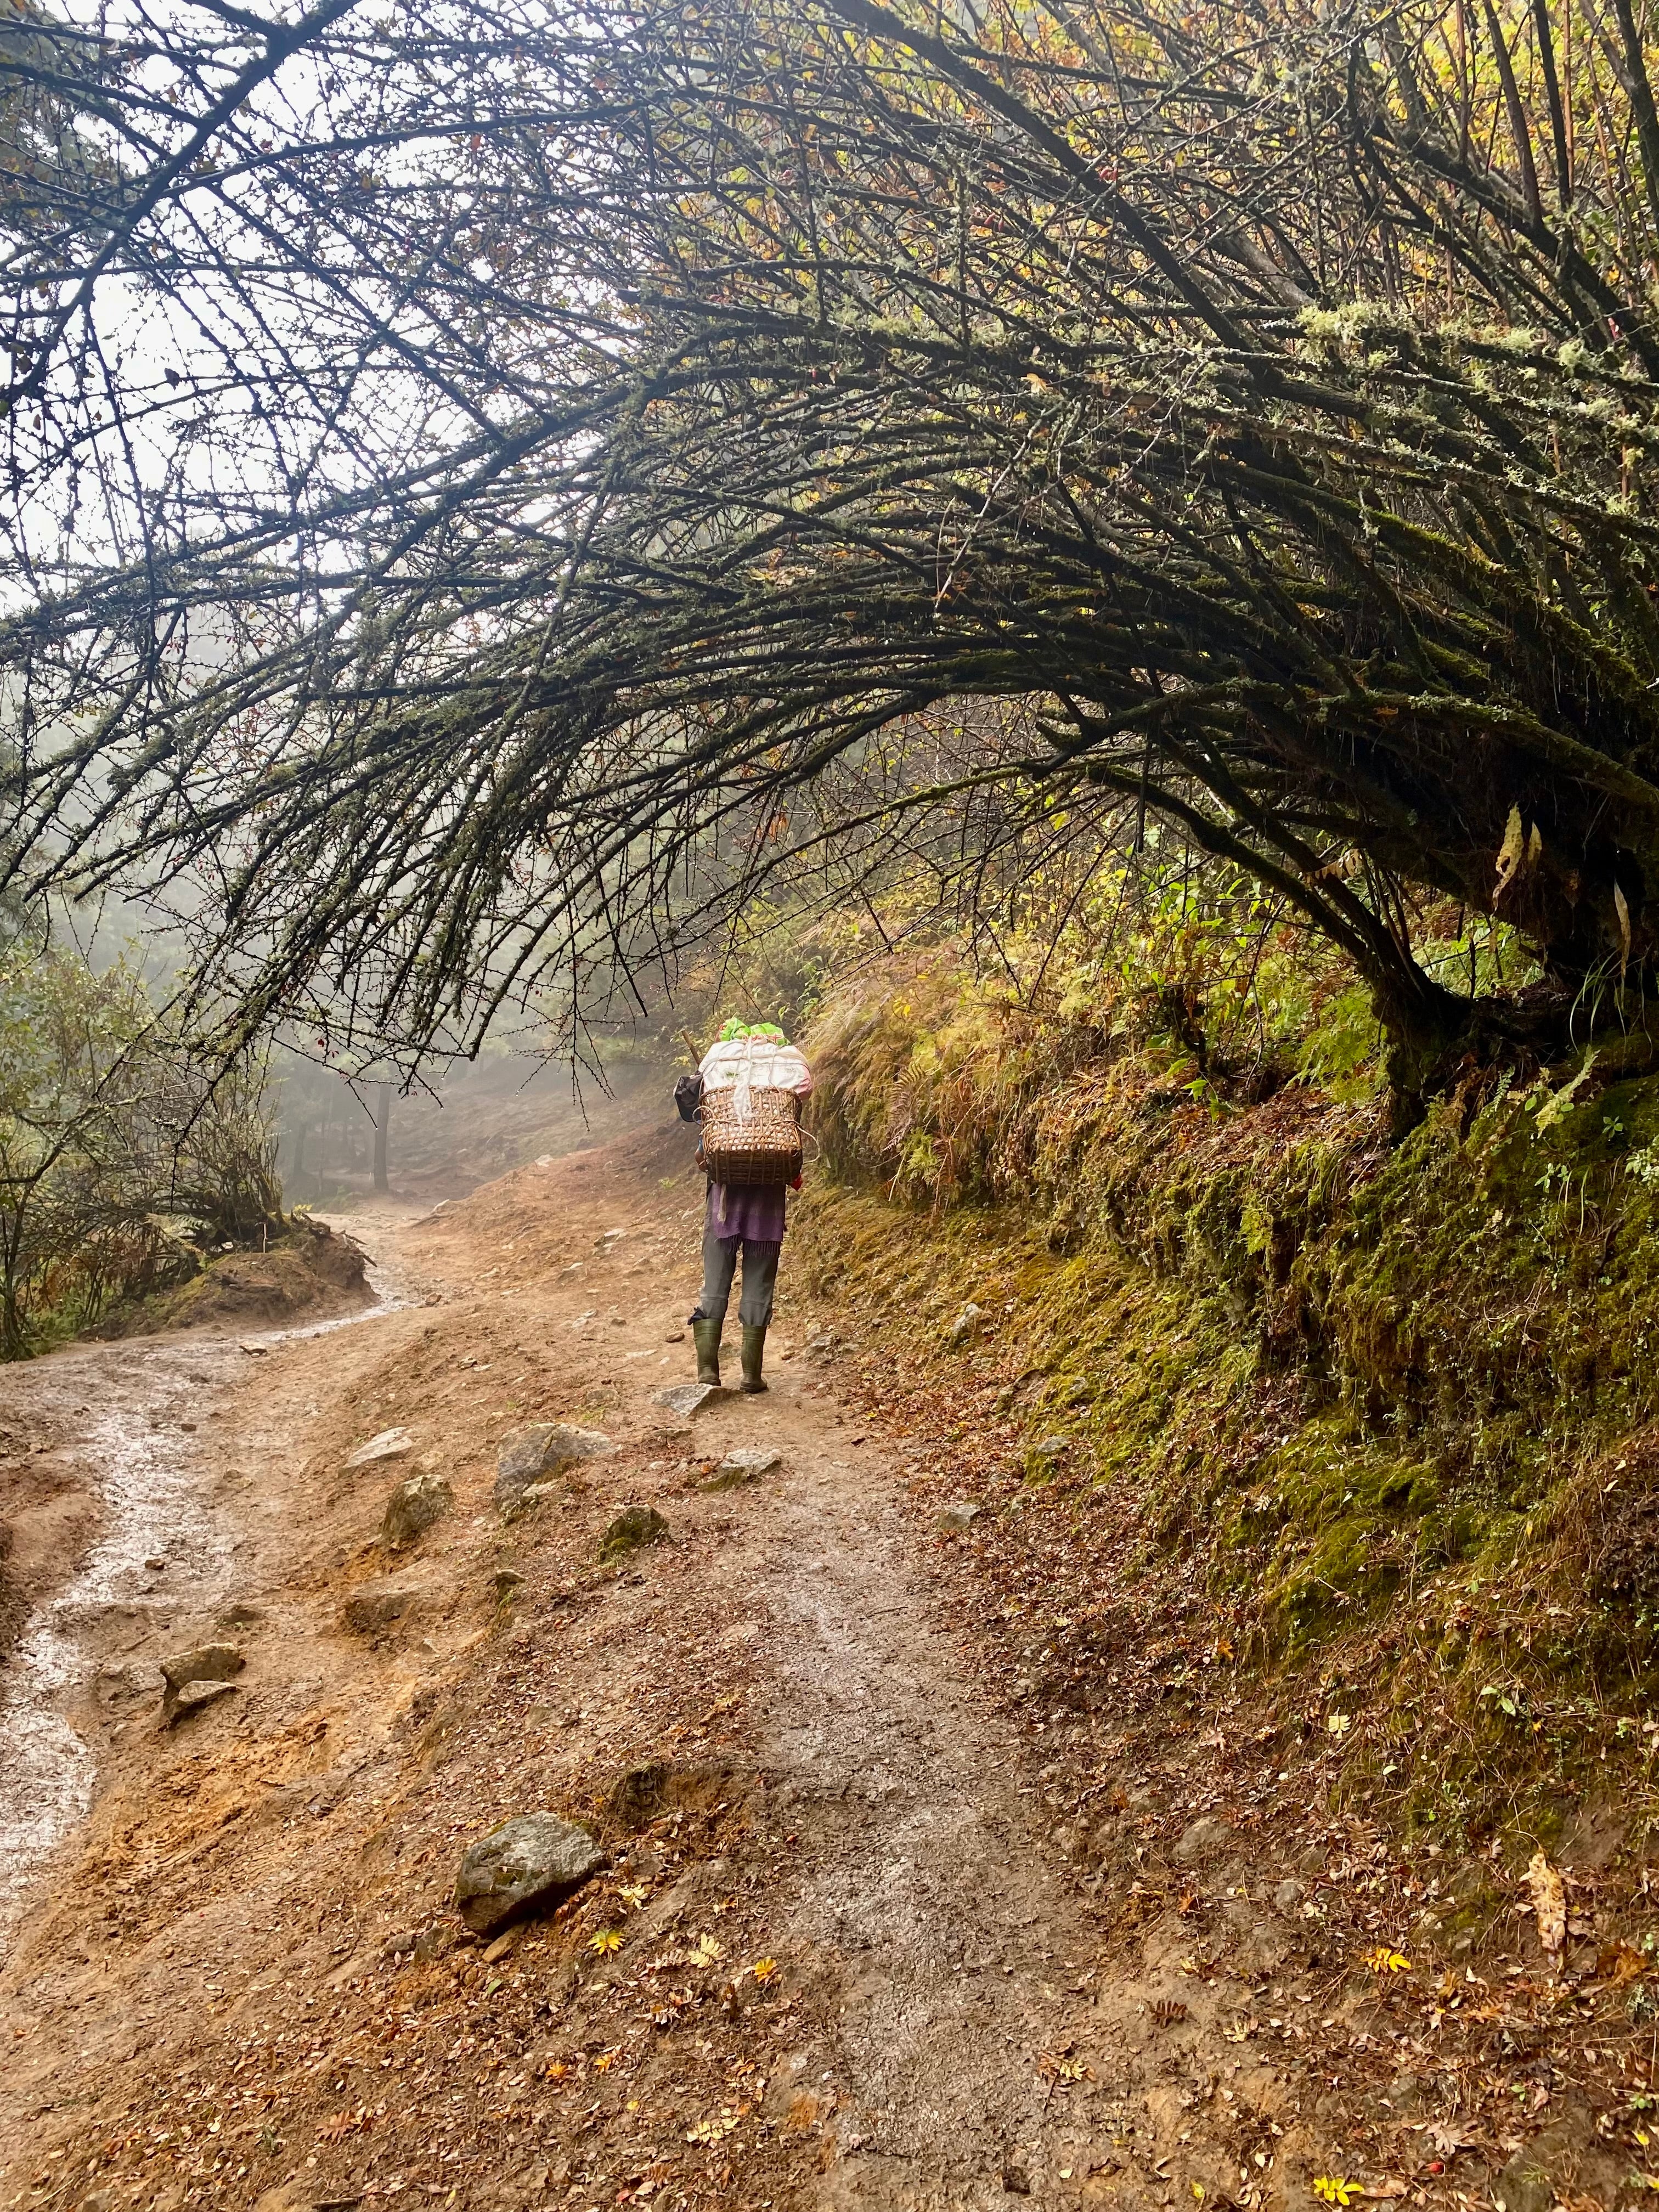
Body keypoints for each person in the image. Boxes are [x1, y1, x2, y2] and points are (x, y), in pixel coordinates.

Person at [674, 1019, 813, 1393]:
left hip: (724, 1204)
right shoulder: (778, 1110)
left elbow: (703, 1158)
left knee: (715, 1281)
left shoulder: (723, 1109)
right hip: (768, 1208)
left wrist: (713, 1155)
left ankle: (708, 1370)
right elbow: (793, 1159)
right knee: (759, 1283)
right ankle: (751, 1375)